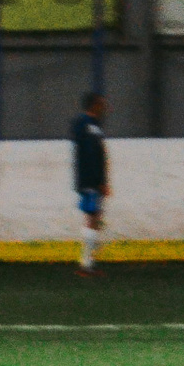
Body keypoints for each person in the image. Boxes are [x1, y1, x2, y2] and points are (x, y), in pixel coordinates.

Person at [70, 92, 109, 278]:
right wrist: (98, 181)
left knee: (94, 217)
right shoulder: (85, 124)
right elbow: (91, 155)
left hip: (91, 180)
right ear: (94, 105)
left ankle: (89, 263)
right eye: (101, 104)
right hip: (90, 180)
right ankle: (86, 265)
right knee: (92, 218)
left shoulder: (93, 125)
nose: (105, 108)